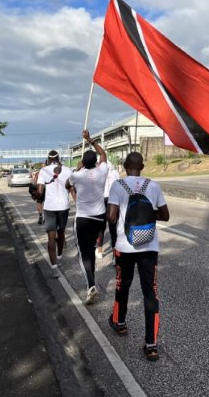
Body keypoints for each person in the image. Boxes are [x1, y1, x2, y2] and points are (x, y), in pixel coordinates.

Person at [107, 151, 170, 361]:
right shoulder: (153, 185)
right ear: (142, 167)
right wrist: (148, 213)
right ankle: (151, 345)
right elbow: (165, 215)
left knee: (122, 285)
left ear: (125, 166)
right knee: (150, 293)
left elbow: (112, 216)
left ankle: (120, 323)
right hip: (149, 247)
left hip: (125, 246)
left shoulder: (118, 185)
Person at [65, 130, 108, 305]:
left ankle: (91, 284)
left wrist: (77, 168)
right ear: (96, 161)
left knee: (84, 253)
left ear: (83, 162)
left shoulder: (77, 175)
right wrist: (90, 140)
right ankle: (92, 278)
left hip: (83, 218)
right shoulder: (102, 171)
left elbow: (68, 184)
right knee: (91, 248)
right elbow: (103, 153)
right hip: (99, 217)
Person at [37, 150, 72, 278]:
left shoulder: (44, 171)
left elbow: (40, 191)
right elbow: (71, 187)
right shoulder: (67, 170)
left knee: (51, 237)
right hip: (63, 206)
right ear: (59, 158)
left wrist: (36, 195)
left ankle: (54, 268)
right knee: (61, 232)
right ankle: (60, 256)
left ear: (48, 158)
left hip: (50, 207)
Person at [95, 160, 119, 259]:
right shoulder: (115, 172)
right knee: (113, 229)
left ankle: (99, 250)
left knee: (101, 227)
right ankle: (115, 255)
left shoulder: (98, 172)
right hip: (113, 201)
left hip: (102, 200)